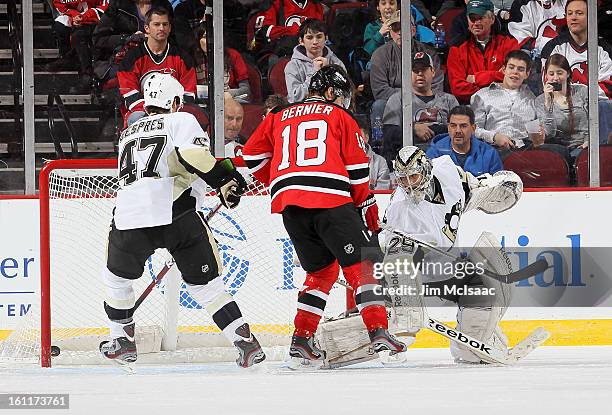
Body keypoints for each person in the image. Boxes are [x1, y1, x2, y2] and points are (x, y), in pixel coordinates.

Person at [242, 65, 406, 367]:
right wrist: (367, 205)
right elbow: (357, 171)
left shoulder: (278, 115)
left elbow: (251, 155)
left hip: (290, 206)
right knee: (364, 265)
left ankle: (301, 342)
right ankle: (379, 333)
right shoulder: (340, 116)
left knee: (322, 273)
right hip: (330, 198)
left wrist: (281, 179)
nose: (343, 102)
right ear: (331, 92)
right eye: (342, 96)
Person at [99, 73, 265, 368]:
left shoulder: (128, 133)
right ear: (175, 102)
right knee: (206, 286)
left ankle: (122, 340)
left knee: (117, 279)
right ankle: (244, 343)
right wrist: (225, 179)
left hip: (129, 216)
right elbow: (193, 155)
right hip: (176, 212)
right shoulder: (180, 120)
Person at [381, 145, 522, 363]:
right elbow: (394, 258)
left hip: (449, 267)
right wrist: (405, 306)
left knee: (487, 280)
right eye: (402, 180)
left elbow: (470, 191)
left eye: (414, 177)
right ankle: (391, 333)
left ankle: (474, 342)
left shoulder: (447, 170)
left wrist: (495, 188)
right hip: (419, 275)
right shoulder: (399, 209)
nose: (408, 185)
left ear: (426, 170)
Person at [116, 7, 203, 126]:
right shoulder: (131, 58)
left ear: (170, 27)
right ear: (147, 28)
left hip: (174, 112)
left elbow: (188, 94)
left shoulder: (183, 58)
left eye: (165, 24)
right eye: (156, 24)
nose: (162, 28)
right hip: (143, 113)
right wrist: (154, 112)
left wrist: (169, 111)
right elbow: (130, 96)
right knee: (136, 118)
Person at [381, 51, 459, 165]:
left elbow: (459, 129)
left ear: (432, 72)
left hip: (444, 157)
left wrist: (432, 129)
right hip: (409, 158)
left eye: (424, 70)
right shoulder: (397, 99)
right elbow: (389, 134)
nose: (420, 74)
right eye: (415, 71)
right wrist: (413, 129)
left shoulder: (449, 100)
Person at [369, 10, 443, 129]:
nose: (399, 33)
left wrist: (419, 98)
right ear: (390, 32)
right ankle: (382, 146)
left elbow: (437, 86)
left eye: (403, 28)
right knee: (379, 105)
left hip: (426, 102)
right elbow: (380, 91)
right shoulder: (380, 55)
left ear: (413, 31)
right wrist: (411, 96)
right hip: (394, 104)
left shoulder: (429, 53)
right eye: (395, 29)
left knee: (444, 103)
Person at [447, 0, 519, 104]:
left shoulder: (509, 43)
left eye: (481, 18)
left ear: (492, 19)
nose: (476, 23)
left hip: (505, 103)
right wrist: (496, 78)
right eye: (472, 19)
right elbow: (458, 89)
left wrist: (478, 78)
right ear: (467, 20)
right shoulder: (457, 48)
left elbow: (513, 78)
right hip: (470, 105)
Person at [540, 0, 612, 99]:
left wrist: (577, 96)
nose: (573, 17)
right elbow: (550, 86)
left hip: (597, 108)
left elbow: (608, 88)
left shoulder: (605, 50)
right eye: (570, 13)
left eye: (579, 13)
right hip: (562, 108)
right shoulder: (552, 48)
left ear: (591, 17)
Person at [471, 50, 540, 150]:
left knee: (559, 152)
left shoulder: (533, 99)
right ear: (503, 69)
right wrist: (494, 137)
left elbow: (537, 135)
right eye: (511, 67)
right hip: (493, 148)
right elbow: (474, 129)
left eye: (520, 69)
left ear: (527, 74)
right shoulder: (482, 95)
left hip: (525, 149)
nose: (515, 72)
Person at [92, 0, 172, 84]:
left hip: (157, 60)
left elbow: (173, 39)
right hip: (122, 61)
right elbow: (99, 39)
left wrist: (154, 38)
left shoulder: (164, 5)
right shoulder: (118, 5)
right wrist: (128, 38)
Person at [46, 0, 110, 91]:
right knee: (59, 26)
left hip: (97, 18)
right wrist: (74, 17)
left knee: (80, 35)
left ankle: (86, 73)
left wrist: (85, 17)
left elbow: (105, 6)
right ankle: (67, 58)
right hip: (75, 17)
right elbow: (60, 5)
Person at [535, 53, 589, 159]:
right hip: (557, 151)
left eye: (560, 73)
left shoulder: (583, 91)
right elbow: (549, 134)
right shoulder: (540, 100)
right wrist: (548, 103)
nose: (555, 78)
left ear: (568, 73)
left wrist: (589, 141)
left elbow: (595, 120)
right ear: (546, 75)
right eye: (551, 74)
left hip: (584, 147)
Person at [426, 105, 503, 176]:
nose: (458, 131)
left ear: (473, 128)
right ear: (448, 128)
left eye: (463, 126)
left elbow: (498, 187)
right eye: (453, 126)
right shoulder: (434, 153)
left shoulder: (489, 153)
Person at [284, 19, 346, 103]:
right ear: (301, 41)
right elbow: (294, 98)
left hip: (330, 111)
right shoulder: (293, 66)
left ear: (326, 38)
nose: (315, 42)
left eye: (319, 37)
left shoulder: (336, 62)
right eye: (309, 38)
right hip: (304, 112)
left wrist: (328, 72)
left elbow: (345, 95)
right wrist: (314, 74)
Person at [193, 26, 252, 102]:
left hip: (230, 100)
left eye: (213, 36)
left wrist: (224, 94)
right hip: (203, 102)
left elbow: (246, 90)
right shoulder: (194, 59)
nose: (210, 41)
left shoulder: (233, 55)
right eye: (204, 37)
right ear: (198, 40)